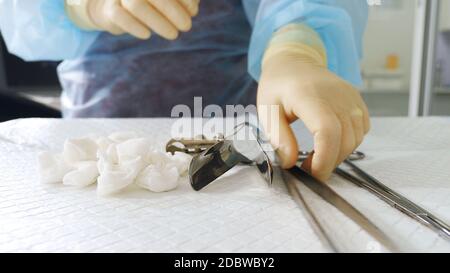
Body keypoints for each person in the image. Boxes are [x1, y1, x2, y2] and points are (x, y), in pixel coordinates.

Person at [0, 0, 370, 181]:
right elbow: (21, 15)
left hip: (235, 133)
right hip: (98, 131)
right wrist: (78, 5)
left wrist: (297, 45)